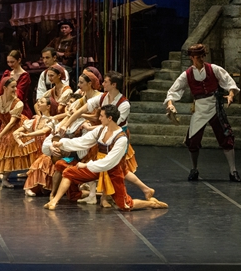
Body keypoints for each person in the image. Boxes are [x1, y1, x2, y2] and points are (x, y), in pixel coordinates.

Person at [45, 105, 167, 211]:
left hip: (112, 170)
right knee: (69, 172)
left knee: (124, 205)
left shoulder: (121, 139)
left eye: (102, 116)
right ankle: (54, 201)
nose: (99, 118)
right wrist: (62, 143)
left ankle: (152, 204)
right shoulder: (101, 130)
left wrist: (86, 165)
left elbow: (109, 162)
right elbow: (83, 141)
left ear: (110, 118)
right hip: (97, 166)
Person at [165, 43, 240, 182]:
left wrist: (230, 95)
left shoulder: (214, 69)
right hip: (199, 108)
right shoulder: (187, 74)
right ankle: (194, 169)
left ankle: (233, 171)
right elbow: (173, 91)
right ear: (192, 58)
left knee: (226, 137)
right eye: (198, 57)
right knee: (193, 141)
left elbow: (229, 82)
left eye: (202, 56)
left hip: (215, 106)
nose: (201, 59)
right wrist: (170, 104)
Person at [0, 77, 29, 188]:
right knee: (5, 151)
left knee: (17, 149)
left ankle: (25, 174)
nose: (15, 89)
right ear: (5, 88)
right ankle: (4, 177)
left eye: (15, 86)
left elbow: (12, 123)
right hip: (5, 126)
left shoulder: (18, 103)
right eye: (12, 87)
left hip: (18, 127)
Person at [0, 50, 33, 119]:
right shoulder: (7, 73)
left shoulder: (24, 76)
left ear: (19, 60)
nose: (10, 64)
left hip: (18, 108)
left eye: (12, 62)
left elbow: (18, 94)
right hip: (5, 106)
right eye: (8, 62)